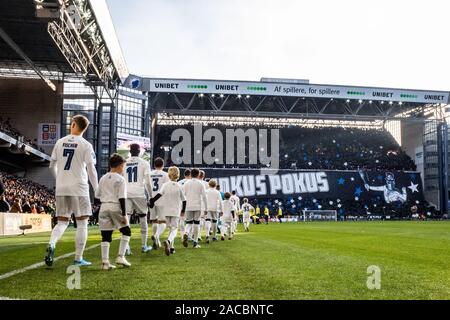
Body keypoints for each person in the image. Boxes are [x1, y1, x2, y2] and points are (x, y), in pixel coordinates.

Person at [45, 115, 98, 267]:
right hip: (79, 188)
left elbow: (51, 165)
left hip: (61, 188)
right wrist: (97, 189)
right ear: (85, 129)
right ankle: (78, 258)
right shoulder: (86, 145)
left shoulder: (60, 142)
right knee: (82, 224)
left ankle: (52, 243)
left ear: (73, 124)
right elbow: (91, 169)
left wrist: (59, 179)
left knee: (62, 222)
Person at [96, 154, 132, 270]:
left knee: (106, 235)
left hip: (104, 207)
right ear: (120, 166)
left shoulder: (102, 178)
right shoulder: (120, 179)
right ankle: (120, 256)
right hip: (115, 206)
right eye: (123, 166)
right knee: (126, 231)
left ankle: (105, 263)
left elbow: (97, 195)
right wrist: (124, 214)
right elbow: (122, 198)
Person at [149, 166, 186, 256]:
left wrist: (152, 201)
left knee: (165, 226)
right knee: (174, 229)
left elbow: (158, 195)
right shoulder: (179, 186)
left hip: (166, 209)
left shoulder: (165, 185)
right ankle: (169, 241)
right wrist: (183, 210)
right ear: (178, 175)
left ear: (169, 175)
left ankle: (169, 246)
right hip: (176, 210)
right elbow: (184, 200)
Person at [123, 144, 153, 254]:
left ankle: (126, 247)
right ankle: (144, 245)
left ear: (130, 151)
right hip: (139, 194)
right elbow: (148, 182)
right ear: (139, 151)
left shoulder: (124, 162)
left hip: (126, 193)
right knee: (143, 219)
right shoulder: (144, 163)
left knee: (127, 220)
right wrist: (151, 196)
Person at [182, 168, 207, 249]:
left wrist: (182, 207)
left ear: (191, 174)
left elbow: (183, 196)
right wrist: (206, 208)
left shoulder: (186, 183)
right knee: (196, 224)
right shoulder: (200, 184)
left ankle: (186, 233)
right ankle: (195, 242)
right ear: (198, 174)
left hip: (188, 206)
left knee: (189, 222)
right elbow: (204, 197)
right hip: (197, 206)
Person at [149, 157, 169, 250]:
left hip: (152, 198)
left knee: (154, 220)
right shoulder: (165, 175)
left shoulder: (149, 174)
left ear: (154, 165)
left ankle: (156, 240)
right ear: (163, 165)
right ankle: (156, 235)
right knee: (163, 221)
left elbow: (147, 186)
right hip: (162, 199)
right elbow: (167, 188)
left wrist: (150, 197)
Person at [177, 169, 191, 237]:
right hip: (189, 201)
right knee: (190, 221)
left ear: (184, 175)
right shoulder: (191, 182)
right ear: (190, 175)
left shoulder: (179, 182)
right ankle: (188, 234)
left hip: (180, 201)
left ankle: (183, 236)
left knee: (181, 219)